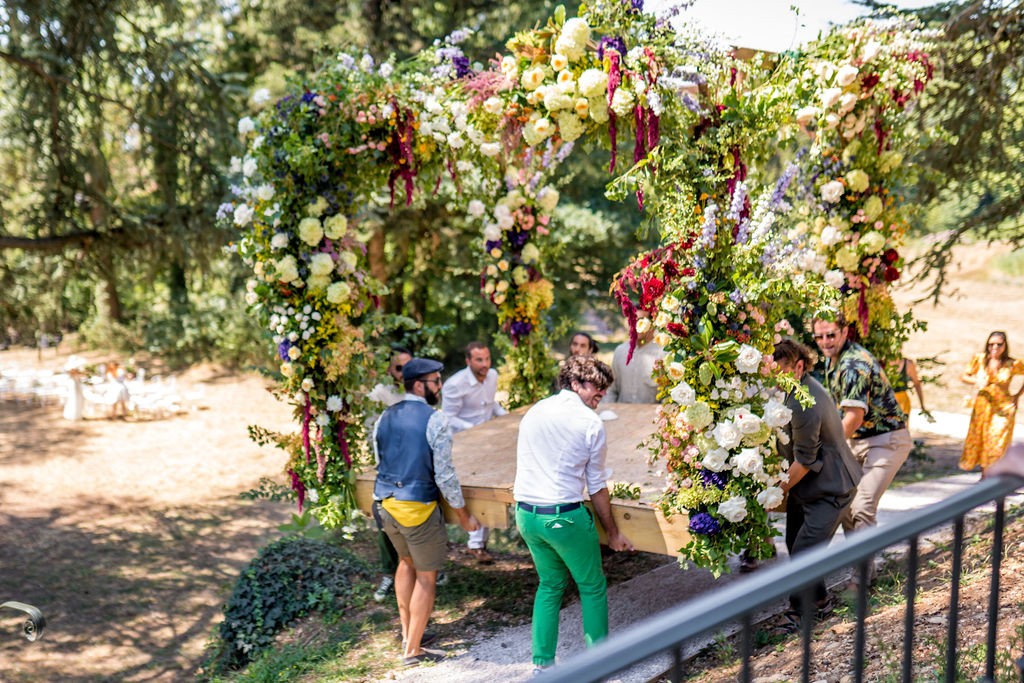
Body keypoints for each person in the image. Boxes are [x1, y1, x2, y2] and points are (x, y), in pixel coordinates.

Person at [513, 355, 634, 674]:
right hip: (563, 516)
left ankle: (542, 665)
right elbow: (596, 486)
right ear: (575, 382)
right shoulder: (590, 422)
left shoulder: (535, 410)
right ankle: (600, 665)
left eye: (605, 388)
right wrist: (613, 533)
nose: (602, 393)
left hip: (525, 514)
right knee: (592, 585)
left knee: (550, 584)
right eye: (597, 386)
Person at [372, 357, 480, 666]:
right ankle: (413, 651)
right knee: (427, 578)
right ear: (420, 385)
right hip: (416, 509)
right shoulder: (435, 420)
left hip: (385, 504)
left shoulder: (384, 417)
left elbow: (381, 461)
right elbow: (445, 475)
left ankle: (410, 634)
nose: (440, 386)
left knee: (405, 564)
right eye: (435, 381)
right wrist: (463, 515)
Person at [773, 339, 861, 630]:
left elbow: (804, 461)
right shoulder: (796, 389)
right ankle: (821, 600)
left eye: (781, 371)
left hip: (832, 487)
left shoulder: (804, 403)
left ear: (799, 366)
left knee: (804, 552)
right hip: (809, 485)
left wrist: (775, 492)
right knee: (794, 541)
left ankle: (798, 614)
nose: (775, 378)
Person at [812, 313, 911, 536]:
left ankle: (862, 571)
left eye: (831, 335)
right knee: (844, 503)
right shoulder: (832, 358)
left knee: (861, 507)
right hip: (857, 440)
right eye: (819, 337)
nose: (825, 342)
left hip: (886, 440)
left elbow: (853, 417)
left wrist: (824, 448)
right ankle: (861, 566)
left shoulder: (853, 364)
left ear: (845, 332)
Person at [441, 341, 507, 563]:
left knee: (489, 486)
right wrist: (475, 430)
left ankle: (478, 544)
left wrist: (504, 415)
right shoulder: (454, 384)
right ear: (468, 361)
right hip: (464, 443)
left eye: (487, 359)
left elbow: (491, 405)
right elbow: (448, 418)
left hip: (489, 442)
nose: (485, 364)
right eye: (479, 360)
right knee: (473, 489)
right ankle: (474, 542)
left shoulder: (493, 376)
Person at [367, 347, 413, 603]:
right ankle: (389, 571)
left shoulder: (418, 390)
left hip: (414, 465)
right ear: (389, 369)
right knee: (383, 516)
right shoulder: (380, 395)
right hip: (389, 466)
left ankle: (428, 567)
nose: (404, 373)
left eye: (408, 367)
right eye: (399, 368)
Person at [959, 331, 1024, 472]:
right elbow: (964, 376)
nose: (994, 347)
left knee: (998, 442)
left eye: (999, 344)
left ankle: (995, 475)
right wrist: (976, 381)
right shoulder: (980, 360)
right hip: (983, 406)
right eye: (991, 344)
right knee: (982, 440)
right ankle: (985, 475)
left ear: (1005, 345)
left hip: (1004, 407)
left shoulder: (1012, 364)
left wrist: (1017, 395)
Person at [603, 313, 665, 404]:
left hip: (651, 416)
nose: (636, 324)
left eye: (641, 320)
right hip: (622, 414)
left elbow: (667, 396)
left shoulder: (663, 353)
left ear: (653, 324)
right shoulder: (620, 351)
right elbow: (611, 390)